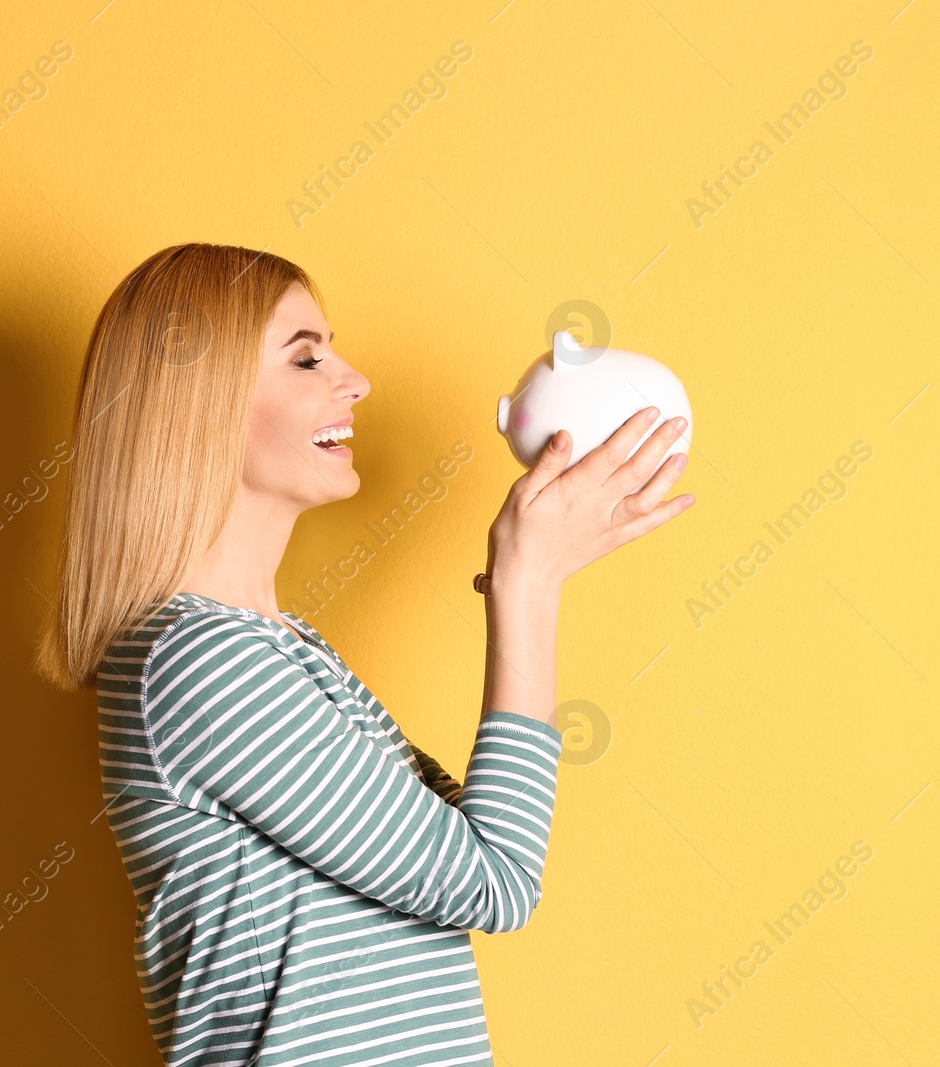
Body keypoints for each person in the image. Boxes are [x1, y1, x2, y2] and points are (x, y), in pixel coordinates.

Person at [36, 243, 694, 1065]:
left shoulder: (278, 648)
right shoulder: (197, 661)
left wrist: (530, 570)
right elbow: (495, 880)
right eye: (306, 356)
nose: (354, 380)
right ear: (194, 401)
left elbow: (470, 839)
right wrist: (528, 584)